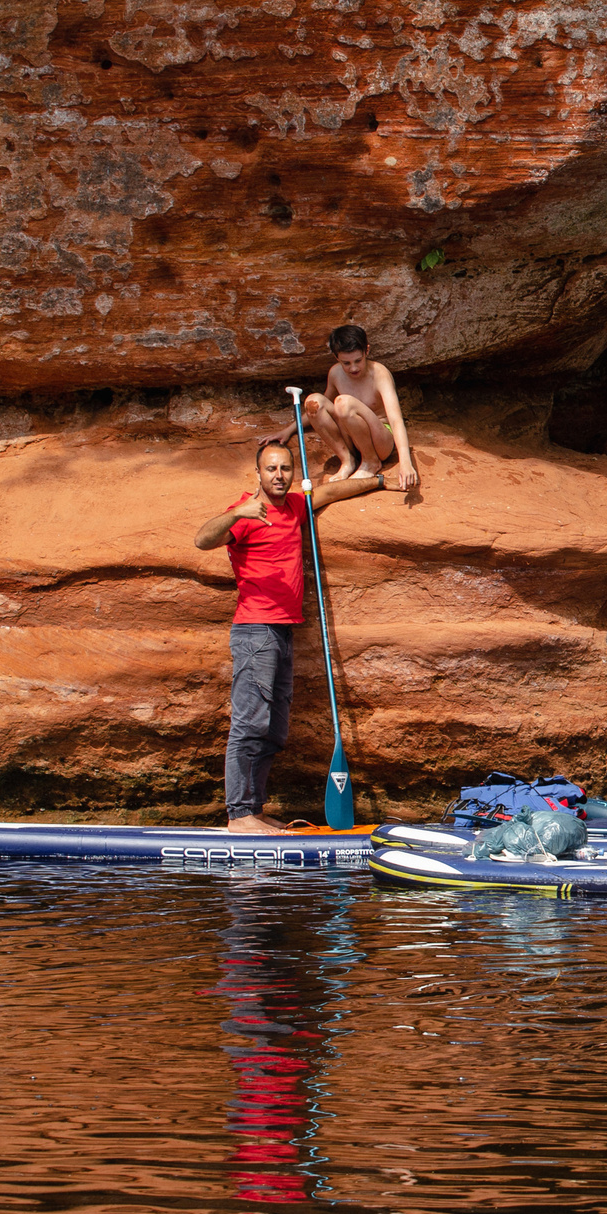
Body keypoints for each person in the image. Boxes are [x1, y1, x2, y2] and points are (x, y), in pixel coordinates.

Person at [193, 437, 390, 834]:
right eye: (271, 469)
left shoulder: (296, 505)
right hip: (255, 630)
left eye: (286, 469)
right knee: (250, 723)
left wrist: (381, 482)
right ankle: (239, 815)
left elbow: (332, 490)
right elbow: (202, 539)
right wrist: (236, 514)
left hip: (282, 632)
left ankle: (254, 807)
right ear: (258, 474)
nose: (279, 476)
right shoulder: (247, 513)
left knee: (273, 727)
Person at [303, 324, 417, 489]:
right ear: (336, 357)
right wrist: (288, 431)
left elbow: (396, 419)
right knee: (313, 401)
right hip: (352, 439)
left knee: (343, 403)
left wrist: (405, 462)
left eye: (358, 360)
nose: (353, 368)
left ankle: (370, 462)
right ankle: (347, 460)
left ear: (367, 351)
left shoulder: (380, 374)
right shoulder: (335, 373)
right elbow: (321, 408)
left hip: (380, 441)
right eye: (346, 363)